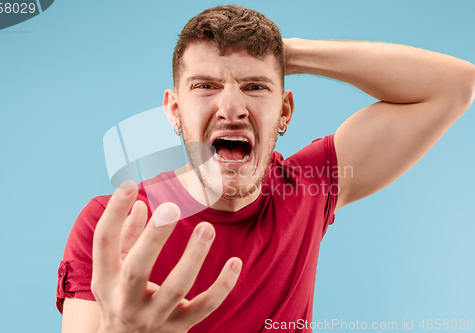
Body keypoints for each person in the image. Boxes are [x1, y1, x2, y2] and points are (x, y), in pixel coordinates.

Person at [57, 5, 475, 333]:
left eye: (256, 86)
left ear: (284, 111)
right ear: (174, 110)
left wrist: (286, 52)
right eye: (206, 86)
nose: (233, 109)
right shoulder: (113, 226)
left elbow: (453, 86)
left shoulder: (306, 189)